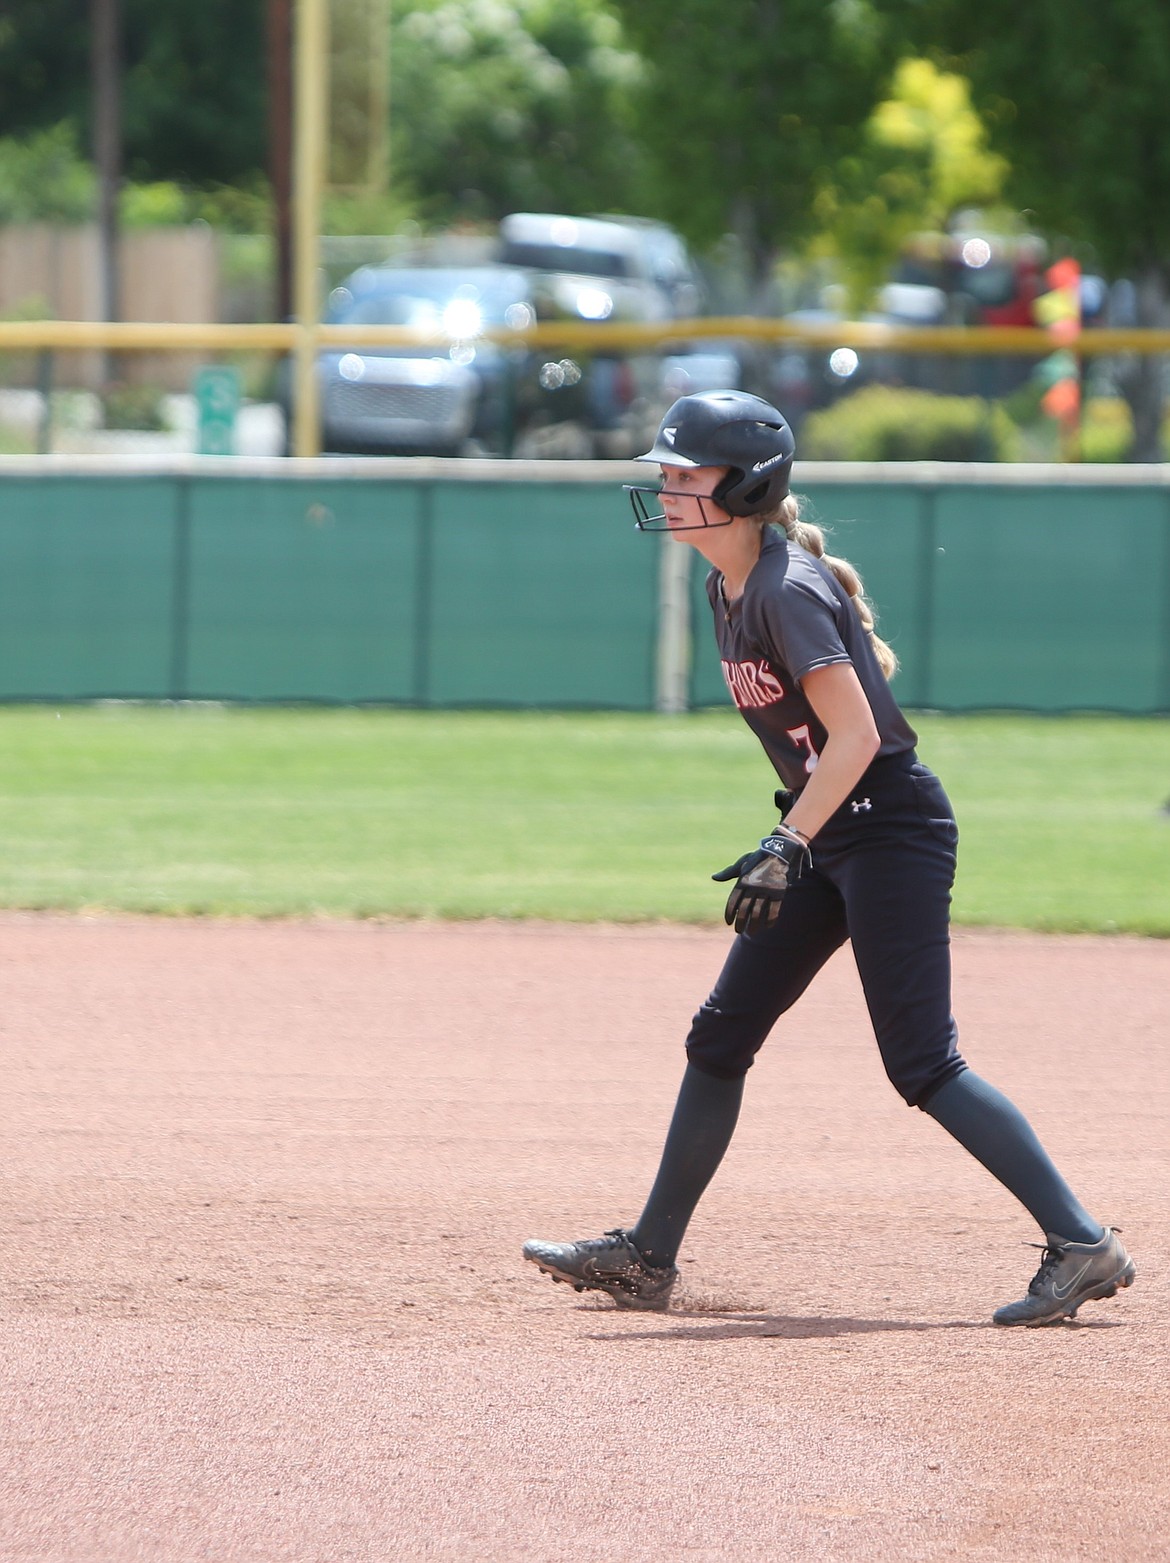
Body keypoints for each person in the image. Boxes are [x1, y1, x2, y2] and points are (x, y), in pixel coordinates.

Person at [522, 390, 1136, 1328]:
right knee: (719, 1036)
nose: (669, 487)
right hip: (828, 831)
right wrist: (798, 837)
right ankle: (649, 1255)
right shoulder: (727, 582)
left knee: (922, 1062)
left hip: (889, 831)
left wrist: (786, 842)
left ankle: (1083, 1241)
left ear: (748, 484)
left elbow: (852, 738)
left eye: (688, 474)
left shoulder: (785, 588)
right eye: (669, 472)